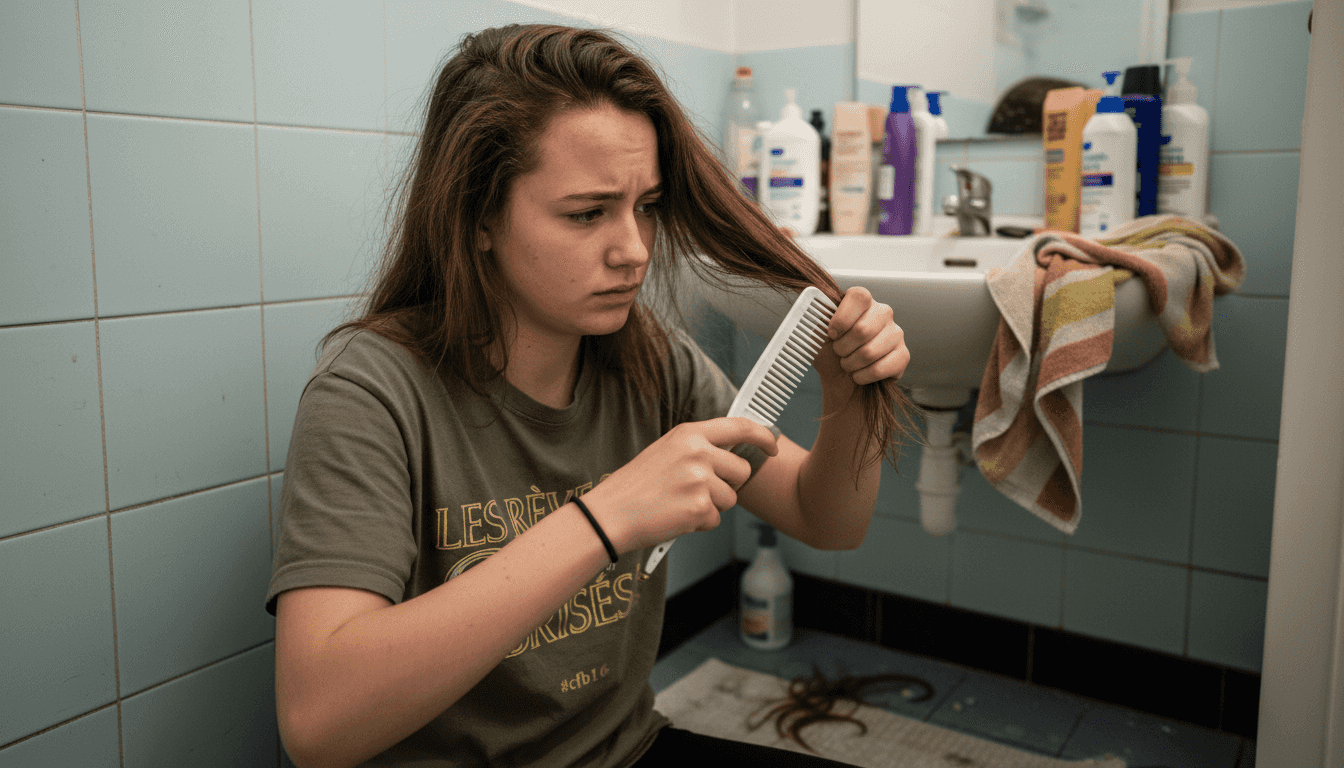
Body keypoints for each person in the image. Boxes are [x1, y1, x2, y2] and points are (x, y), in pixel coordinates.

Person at [266, 23, 916, 768]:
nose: (634, 249)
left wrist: (851, 396)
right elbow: (318, 724)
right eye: (587, 213)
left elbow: (823, 518)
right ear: (478, 217)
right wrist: (607, 516)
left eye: (646, 206)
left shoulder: (650, 360)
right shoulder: (370, 390)